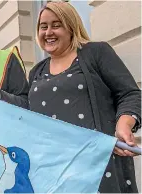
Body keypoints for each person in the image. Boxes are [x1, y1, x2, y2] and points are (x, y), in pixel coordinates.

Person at [28, 2, 141, 193]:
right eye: (43, 26)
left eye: (56, 25)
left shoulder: (95, 53)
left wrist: (124, 124)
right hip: (53, 171)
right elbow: (24, 111)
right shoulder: (36, 72)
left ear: (71, 27)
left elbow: (130, 94)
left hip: (98, 167)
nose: (48, 32)